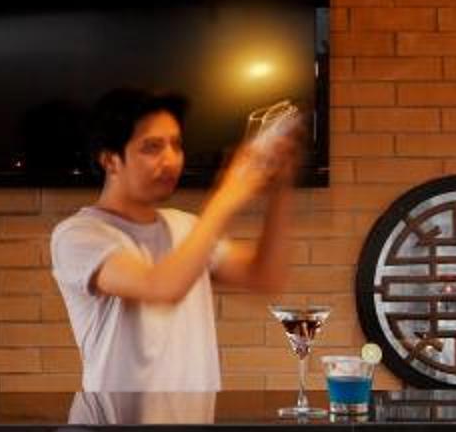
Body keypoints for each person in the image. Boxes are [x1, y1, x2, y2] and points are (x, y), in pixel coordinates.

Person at [50, 87, 296, 396]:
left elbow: (265, 276)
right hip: (114, 424)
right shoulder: (78, 235)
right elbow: (160, 287)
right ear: (110, 160)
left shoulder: (187, 226)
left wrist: (281, 187)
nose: (170, 160)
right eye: (152, 147)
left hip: (192, 424)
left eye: (176, 145)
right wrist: (228, 194)